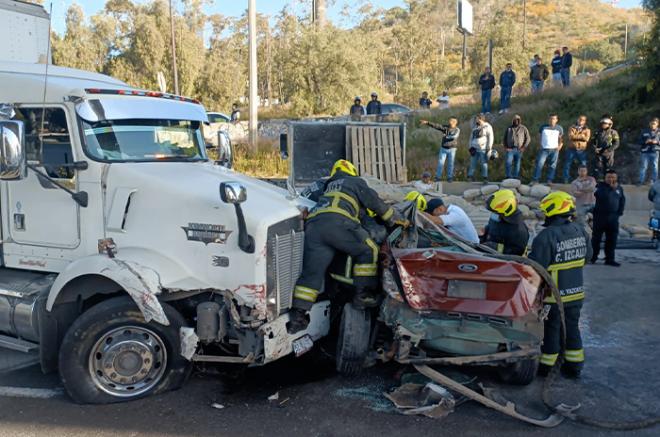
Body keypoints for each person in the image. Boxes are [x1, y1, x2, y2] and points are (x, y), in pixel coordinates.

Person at [288, 159, 401, 334]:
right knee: (368, 249)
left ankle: (298, 317)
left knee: (312, 273)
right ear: (352, 171)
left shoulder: (327, 186)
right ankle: (363, 294)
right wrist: (394, 219)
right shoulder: (355, 182)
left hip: (315, 227)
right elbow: (376, 203)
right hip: (339, 223)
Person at [529, 191, 591, 378]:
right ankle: (575, 365)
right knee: (572, 327)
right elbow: (587, 257)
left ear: (552, 211)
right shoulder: (581, 230)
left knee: (552, 330)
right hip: (576, 292)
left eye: (546, 211)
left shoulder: (546, 236)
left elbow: (536, 265)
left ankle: (547, 367)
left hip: (553, 296)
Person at [591, 169, 625, 267]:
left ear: (616, 178)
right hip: (600, 217)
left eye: (613, 177)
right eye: (609, 177)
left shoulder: (619, 188)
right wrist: (612, 189)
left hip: (613, 218)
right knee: (596, 239)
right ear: (605, 178)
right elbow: (602, 196)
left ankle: (610, 259)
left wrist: (619, 213)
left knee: (612, 239)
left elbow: (622, 200)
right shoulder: (599, 187)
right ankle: (593, 257)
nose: (611, 179)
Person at [481, 189, 529, 255]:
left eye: (495, 213)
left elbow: (518, 252)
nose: (493, 214)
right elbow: (491, 227)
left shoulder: (519, 230)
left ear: (507, 210)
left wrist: (495, 247)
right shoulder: (499, 217)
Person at [420, 117, 461, 182]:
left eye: (451, 120)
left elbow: (454, 137)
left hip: (452, 149)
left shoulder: (457, 130)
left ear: (455, 122)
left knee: (451, 164)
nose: (449, 121)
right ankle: (437, 177)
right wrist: (427, 122)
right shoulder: (445, 127)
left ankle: (449, 177)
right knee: (440, 163)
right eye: (449, 120)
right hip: (443, 149)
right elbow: (437, 126)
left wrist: (446, 136)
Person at [532, 114, 564, 184]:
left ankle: (549, 180)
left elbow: (561, 138)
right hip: (544, 149)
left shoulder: (559, 128)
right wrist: (539, 145)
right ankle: (535, 180)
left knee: (552, 165)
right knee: (539, 164)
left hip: (554, 149)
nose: (552, 120)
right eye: (550, 119)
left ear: (556, 120)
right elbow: (539, 136)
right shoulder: (543, 127)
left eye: (553, 119)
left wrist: (560, 145)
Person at [563, 115, 592, 183]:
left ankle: (584, 179)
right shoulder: (572, 128)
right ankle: (566, 179)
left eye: (583, 120)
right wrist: (582, 136)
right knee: (567, 164)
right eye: (580, 119)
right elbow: (571, 137)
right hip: (571, 149)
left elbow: (587, 139)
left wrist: (575, 136)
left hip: (581, 149)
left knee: (583, 164)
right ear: (577, 120)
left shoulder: (587, 129)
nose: (581, 121)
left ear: (585, 121)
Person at [467, 114, 494, 183]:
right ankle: (470, 176)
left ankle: (485, 177)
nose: (476, 120)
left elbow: (491, 137)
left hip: (483, 148)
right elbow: (471, 138)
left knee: (484, 163)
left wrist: (489, 147)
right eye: (475, 119)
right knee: (472, 163)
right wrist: (470, 147)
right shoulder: (475, 127)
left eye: (477, 119)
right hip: (474, 148)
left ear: (481, 119)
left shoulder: (487, 126)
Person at [503, 114, 530, 179]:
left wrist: (523, 147)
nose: (516, 121)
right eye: (515, 119)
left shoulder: (524, 128)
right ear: (513, 120)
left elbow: (528, 138)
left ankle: (516, 176)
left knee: (517, 163)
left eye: (518, 119)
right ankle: (508, 176)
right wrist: (506, 147)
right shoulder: (509, 128)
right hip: (510, 149)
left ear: (520, 120)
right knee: (508, 162)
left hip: (519, 149)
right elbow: (504, 138)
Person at [592, 115, 620, 180]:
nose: (603, 125)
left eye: (605, 124)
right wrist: (595, 148)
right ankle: (598, 182)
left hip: (608, 154)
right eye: (602, 124)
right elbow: (593, 142)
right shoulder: (597, 132)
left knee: (608, 169)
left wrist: (609, 150)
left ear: (609, 124)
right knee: (598, 168)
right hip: (599, 153)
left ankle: (608, 182)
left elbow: (616, 143)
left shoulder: (613, 132)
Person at [638, 117, 660, 185]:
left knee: (655, 167)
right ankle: (640, 181)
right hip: (645, 152)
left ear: (657, 124)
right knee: (643, 167)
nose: (652, 125)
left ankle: (654, 182)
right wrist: (645, 141)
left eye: (654, 124)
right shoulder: (644, 131)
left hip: (655, 151)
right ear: (649, 124)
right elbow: (639, 141)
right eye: (651, 123)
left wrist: (657, 142)